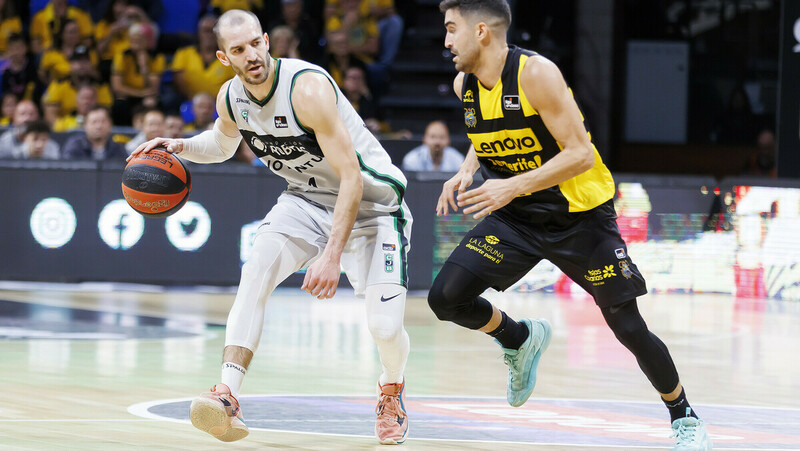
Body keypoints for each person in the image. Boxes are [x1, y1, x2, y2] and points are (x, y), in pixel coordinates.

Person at [428, 2, 712, 450]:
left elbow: (580, 153)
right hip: (518, 216)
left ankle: (685, 417)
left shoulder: (537, 74)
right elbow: (489, 131)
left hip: (579, 217)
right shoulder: (466, 82)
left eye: (451, 30)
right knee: (445, 297)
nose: (445, 41)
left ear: (481, 31)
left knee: (627, 326)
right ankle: (519, 339)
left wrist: (510, 186)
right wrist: (468, 168)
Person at [129, 9, 412, 445]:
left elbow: (352, 179)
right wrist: (180, 145)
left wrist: (331, 256)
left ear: (266, 40)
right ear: (225, 58)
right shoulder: (230, 97)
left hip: (373, 208)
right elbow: (222, 146)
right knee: (255, 272)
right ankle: (227, 393)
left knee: (386, 328)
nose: (252, 55)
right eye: (238, 50)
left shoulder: (308, 88)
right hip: (304, 199)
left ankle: (391, 388)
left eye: (255, 44)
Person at [171, 15, 235, 101]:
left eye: (214, 31)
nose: (210, 35)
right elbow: (179, 83)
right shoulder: (183, 54)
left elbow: (234, 86)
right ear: (199, 33)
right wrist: (197, 102)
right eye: (206, 31)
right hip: (189, 102)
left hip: (221, 104)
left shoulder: (230, 57)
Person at [62, 107, 127, 160]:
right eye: (94, 122)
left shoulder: (118, 149)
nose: (99, 126)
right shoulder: (74, 146)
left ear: (110, 124)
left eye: (103, 121)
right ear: (85, 125)